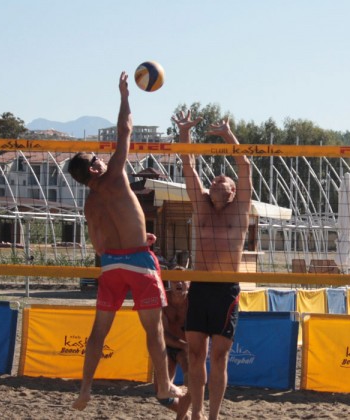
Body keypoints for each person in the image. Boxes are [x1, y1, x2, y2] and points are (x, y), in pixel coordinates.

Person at [67, 72, 185, 411]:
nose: (103, 159)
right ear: (94, 170)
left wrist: (132, 238)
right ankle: (164, 387)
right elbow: (125, 129)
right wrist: (124, 97)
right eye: (97, 159)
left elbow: (99, 245)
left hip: (111, 265)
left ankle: (85, 390)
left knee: (98, 332)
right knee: (154, 330)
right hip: (138, 261)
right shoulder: (115, 176)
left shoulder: (89, 204)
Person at [172, 109, 252, 420]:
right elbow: (187, 164)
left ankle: (213, 416)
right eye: (214, 179)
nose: (218, 180)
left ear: (233, 192)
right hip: (201, 287)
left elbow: (244, 166)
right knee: (195, 355)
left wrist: (228, 135)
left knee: (219, 358)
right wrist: (185, 132)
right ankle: (196, 413)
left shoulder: (240, 210)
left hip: (225, 290)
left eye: (224, 180)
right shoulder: (201, 206)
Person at [155, 273, 192, 420]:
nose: (179, 283)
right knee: (161, 394)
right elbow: (160, 334)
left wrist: (188, 346)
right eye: (175, 280)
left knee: (191, 382)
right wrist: (183, 345)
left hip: (186, 349)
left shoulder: (193, 301)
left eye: (183, 280)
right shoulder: (163, 299)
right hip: (169, 346)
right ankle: (188, 416)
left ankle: (182, 417)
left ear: (189, 284)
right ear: (170, 282)